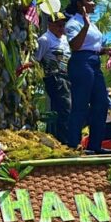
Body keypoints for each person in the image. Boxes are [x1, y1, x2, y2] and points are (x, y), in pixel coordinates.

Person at [64, 0, 111, 152]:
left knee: (101, 102)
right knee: (80, 103)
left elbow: (91, 46)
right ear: (80, 4)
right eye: (89, 0)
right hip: (81, 63)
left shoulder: (91, 23)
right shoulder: (73, 23)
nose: (93, 3)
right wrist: (85, 26)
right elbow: (76, 46)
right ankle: (73, 144)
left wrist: (104, 51)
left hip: (93, 62)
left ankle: (95, 145)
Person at [33, 12, 70, 144]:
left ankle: (66, 139)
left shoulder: (65, 39)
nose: (61, 28)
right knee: (64, 108)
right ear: (50, 25)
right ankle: (64, 141)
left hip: (67, 77)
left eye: (63, 25)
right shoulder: (45, 40)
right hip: (55, 78)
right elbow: (35, 60)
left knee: (70, 108)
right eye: (58, 25)